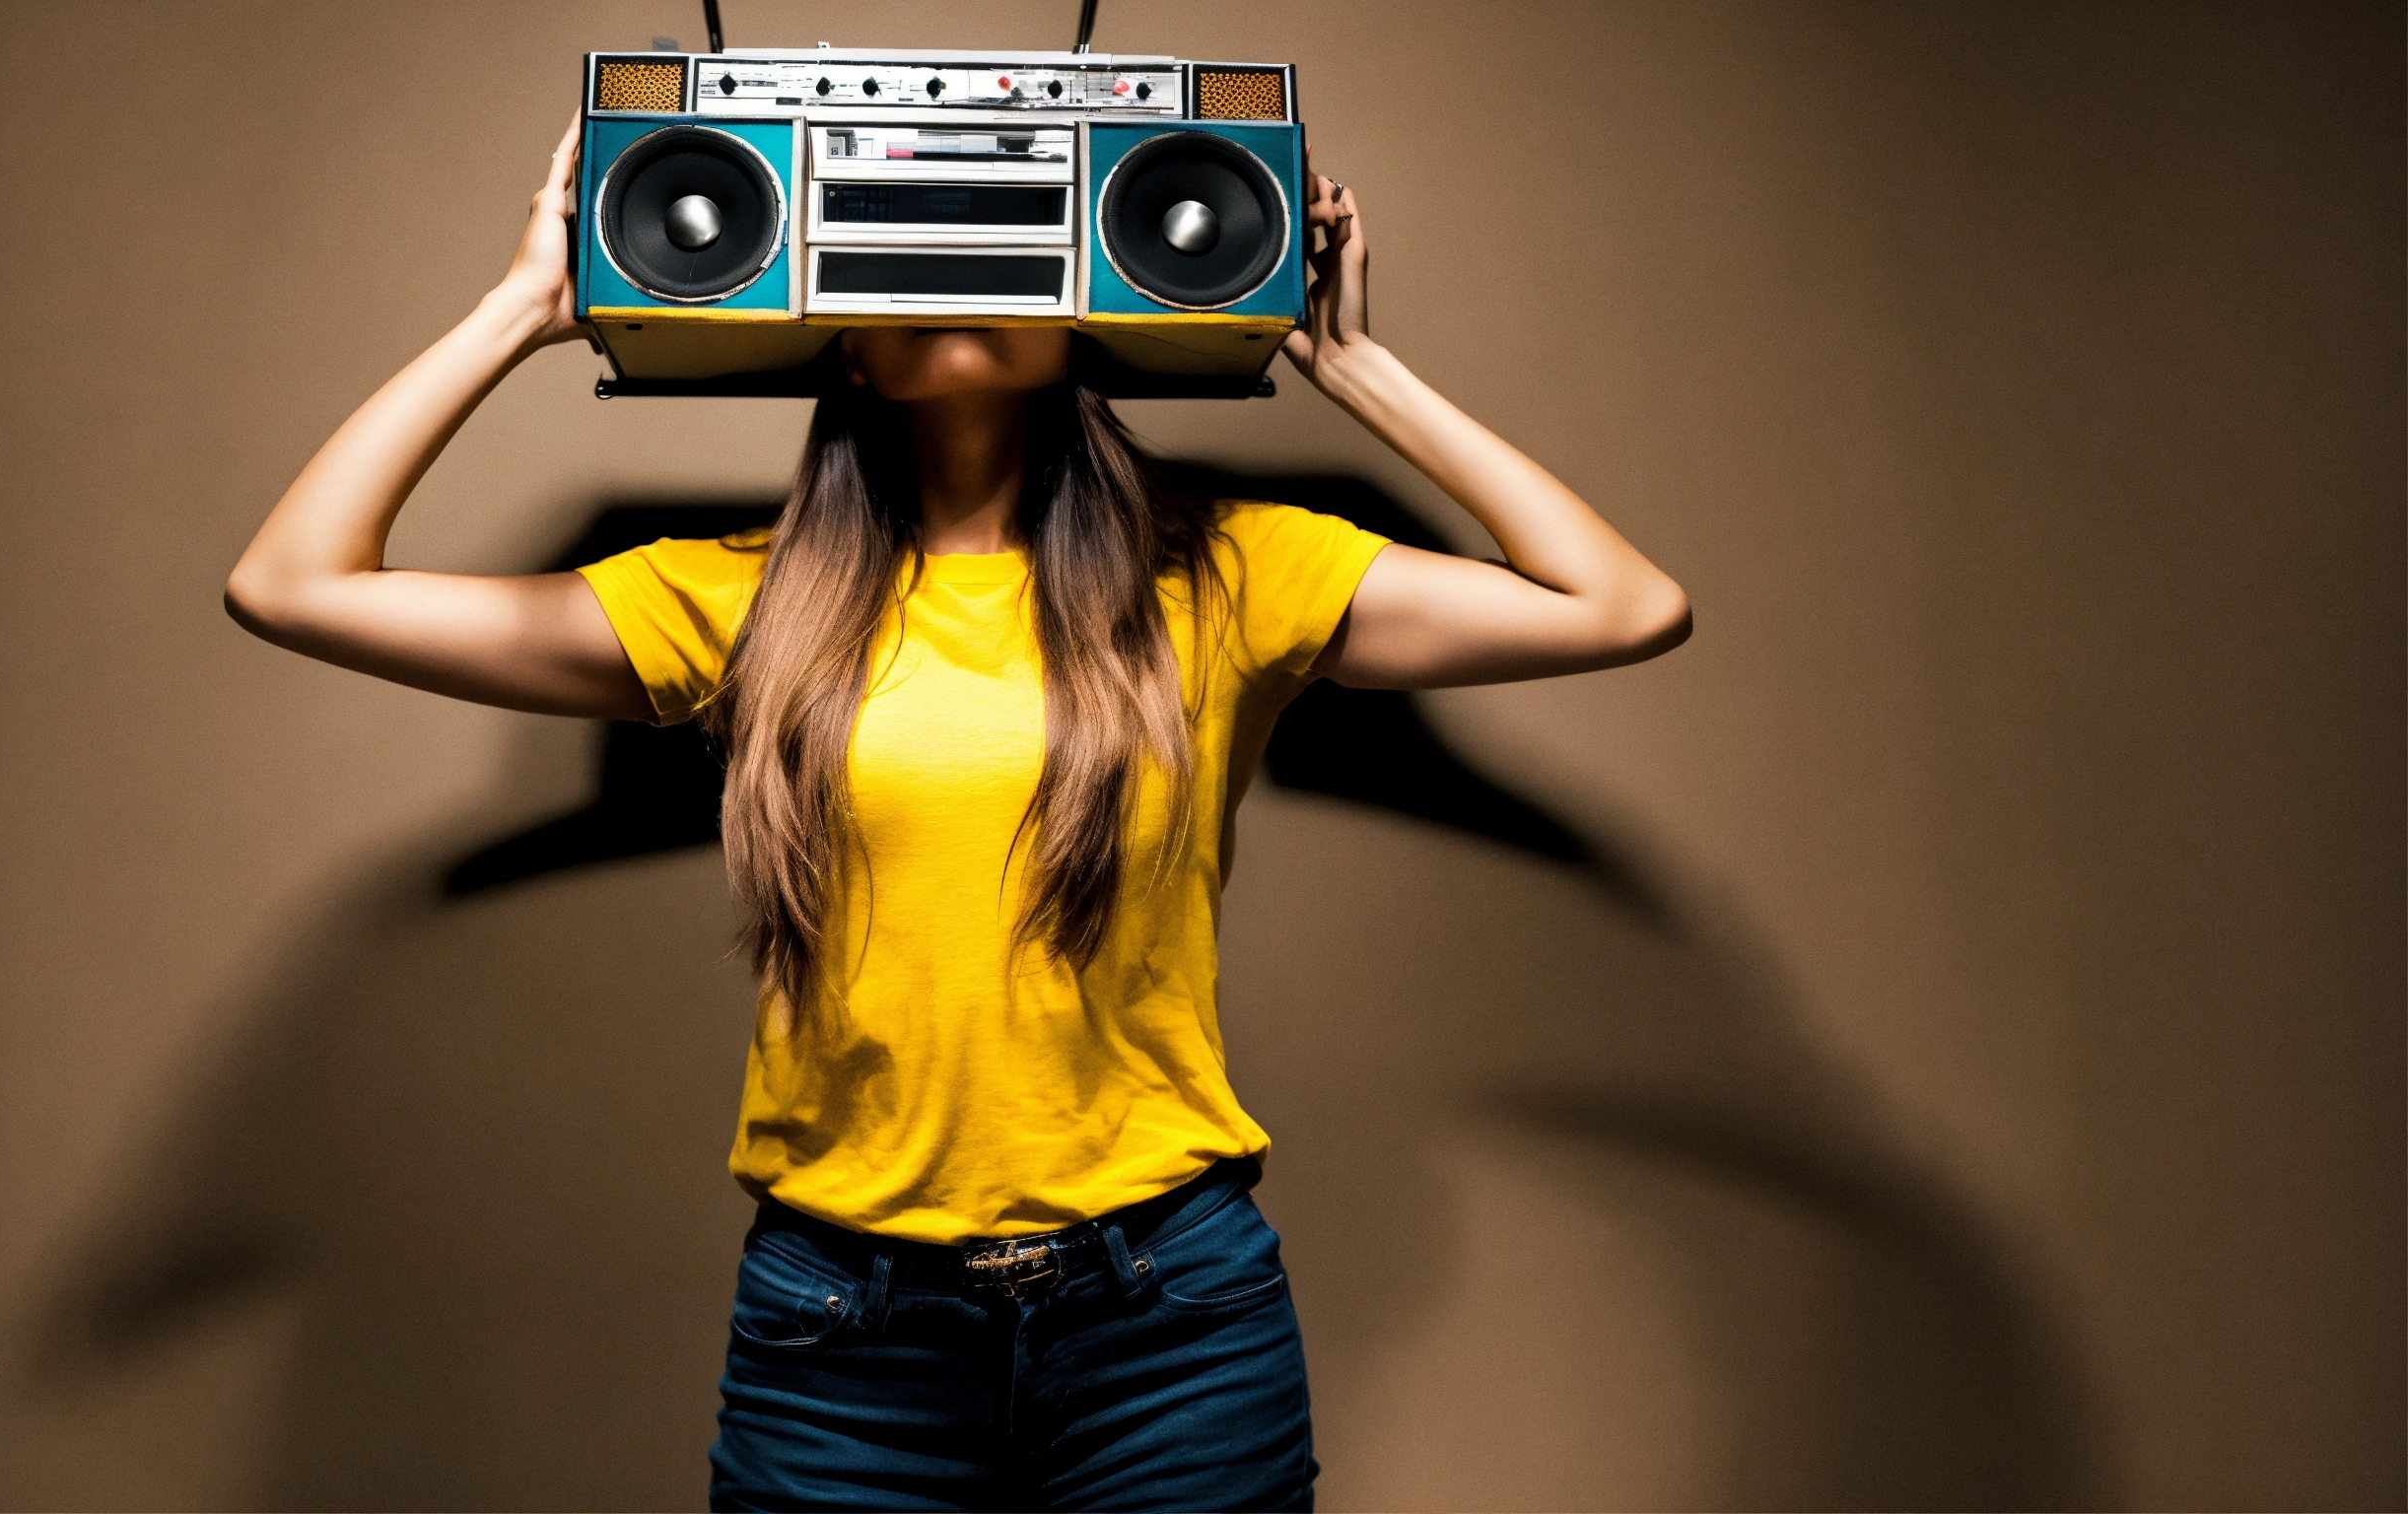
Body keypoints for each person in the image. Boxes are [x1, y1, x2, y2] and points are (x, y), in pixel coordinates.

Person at [226, 111, 1690, 1513]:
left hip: (1169, 1319)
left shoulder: (1235, 574)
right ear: (837, 344)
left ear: (1088, 309)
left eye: (1002, 241)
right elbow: (294, 585)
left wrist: (1355, 368)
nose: (948, 276)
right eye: (891, 249)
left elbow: (1622, 606)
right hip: (840, 1335)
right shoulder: (736, 599)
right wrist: (518, 313)